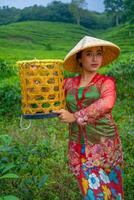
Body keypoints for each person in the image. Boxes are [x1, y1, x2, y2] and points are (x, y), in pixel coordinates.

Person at [56, 36, 124, 199]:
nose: (95, 59)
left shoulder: (105, 82)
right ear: (79, 59)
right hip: (77, 146)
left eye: (98, 54)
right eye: (89, 54)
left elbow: (107, 103)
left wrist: (75, 116)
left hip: (104, 145)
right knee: (90, 191)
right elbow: (49, 95)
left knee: (110, 191)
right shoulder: (68, 84)